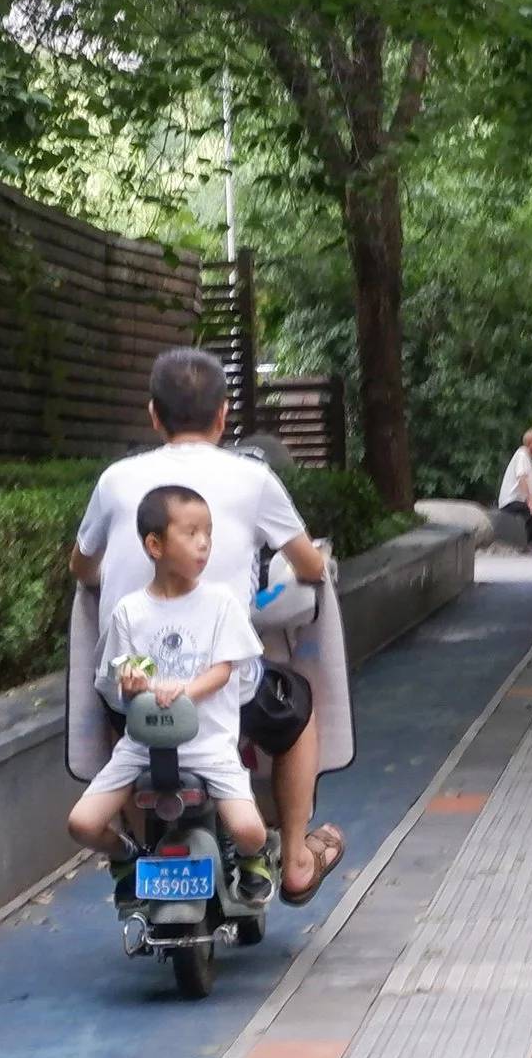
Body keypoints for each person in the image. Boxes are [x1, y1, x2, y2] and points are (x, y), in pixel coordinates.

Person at [71, 348, 345, 906]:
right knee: (296, 705)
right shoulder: (253, 478)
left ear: (154, 415)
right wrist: (317, 561)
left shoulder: (116, 480)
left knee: (118, 718)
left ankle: (135, 853)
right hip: (220, 694)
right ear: (223, 416)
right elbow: (310, 566)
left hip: (137, 694)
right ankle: (293, 859)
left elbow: (81, 567)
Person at [68, 485, 277, 903]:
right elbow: (119, 679)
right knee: (83, 824)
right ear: (155, 544)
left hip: (209, 747)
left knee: (251, 831)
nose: (204, 544)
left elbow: (224, 669)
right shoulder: (129, 611)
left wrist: (183, 689)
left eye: (209, 534)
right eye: (192, 533)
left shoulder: (219, 603)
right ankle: (129, 859)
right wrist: (130, 685)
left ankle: (251, 861)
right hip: (142, 747)